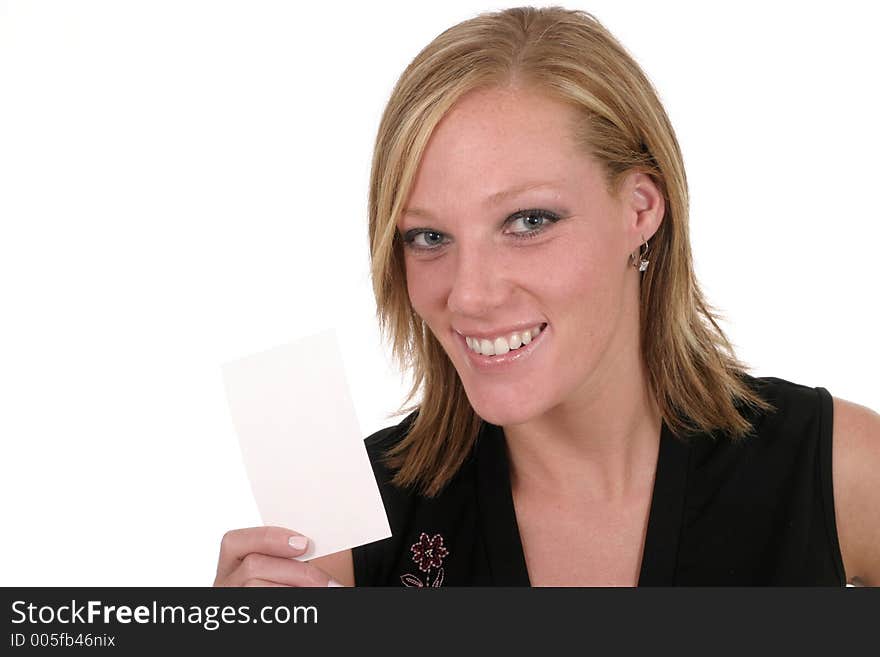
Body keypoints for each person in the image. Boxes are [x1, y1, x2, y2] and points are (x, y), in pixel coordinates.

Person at [213, 5, 879, 587]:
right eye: (428, 235)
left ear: (641, 210)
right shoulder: (342, 517)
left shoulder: (837, 469)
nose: (469, 294)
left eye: (529, 221)